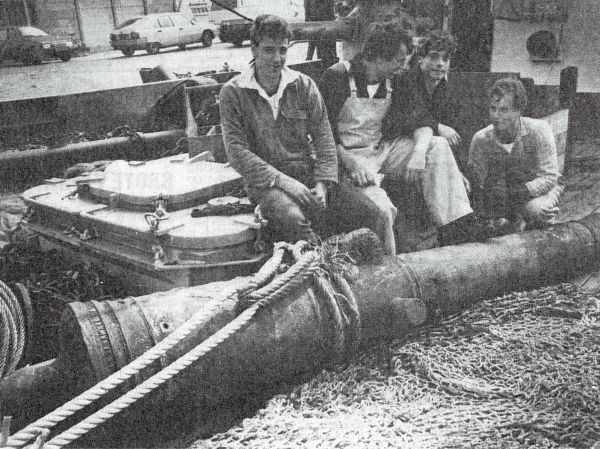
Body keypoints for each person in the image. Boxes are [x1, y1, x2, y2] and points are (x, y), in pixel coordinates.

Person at [219, 15, 387, 247]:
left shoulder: (304, 85)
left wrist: (323, 183)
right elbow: (237, 152)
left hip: (308, 175)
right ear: (253, 49)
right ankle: (323, 269)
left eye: (282, 50)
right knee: (294, 219)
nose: (277, 59)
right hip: (267, 186)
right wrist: (284, 182)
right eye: (269, 50)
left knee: (372, 214)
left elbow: (324, 139)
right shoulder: (233, 93)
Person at [320, 23, 484, 249]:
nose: (403, 65)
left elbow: (422, 121)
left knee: (436, 146)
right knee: (382, 211)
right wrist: (351, 165)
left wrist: (418, 154)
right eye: (399, 60)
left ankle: (457, 230)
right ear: (379, 57)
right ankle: (391, 264)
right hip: (345, 157)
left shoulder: (397, 79)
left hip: (380, 148)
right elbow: (322, 135)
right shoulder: (337, 77)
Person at [468, 78, 563, 233]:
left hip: (539, 190)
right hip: (501, 198)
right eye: (493, 108)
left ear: (518, 110)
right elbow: (477, 180)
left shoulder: (539, 130)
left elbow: (550, 177)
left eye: (503, 110)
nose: (496, 115)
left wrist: (519, 191)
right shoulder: (481, 140)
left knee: (538, 212)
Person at [404, 30, 461, 151]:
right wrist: (438, 127)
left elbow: (452, 131)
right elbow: (410, 116)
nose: (440, 64)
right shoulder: (406, 81)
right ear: (420, 58)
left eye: (445, 59)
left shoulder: (448, 91)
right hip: (401, 144)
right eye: (434, 57)